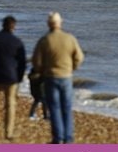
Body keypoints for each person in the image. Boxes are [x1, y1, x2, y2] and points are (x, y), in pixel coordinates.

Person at [32, 12, 84, 144]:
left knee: (54, 108)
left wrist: (41, 71)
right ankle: (68, 138)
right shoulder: (70, 38)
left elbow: (36, 61)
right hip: (66, 76)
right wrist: (72, 68)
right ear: (61, 23)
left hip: (51, 77)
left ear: (48, 24)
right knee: (66, 107)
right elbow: (79, 57)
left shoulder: (45, 40)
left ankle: (58, 138)